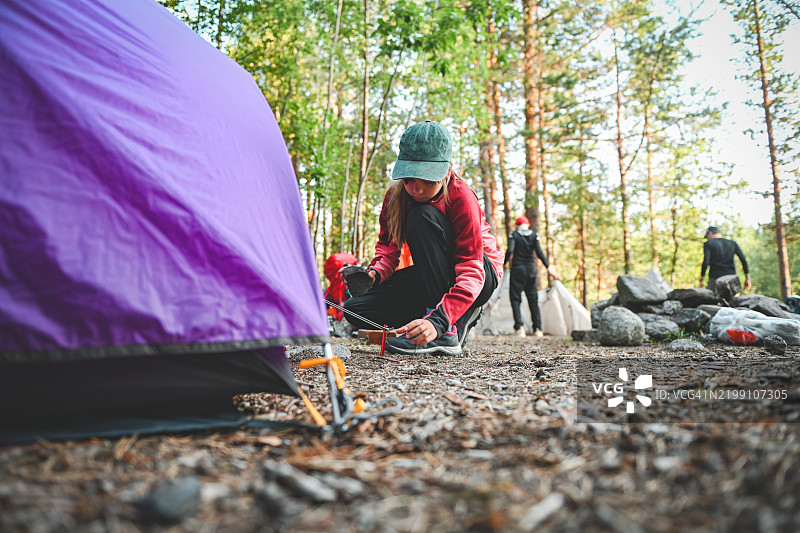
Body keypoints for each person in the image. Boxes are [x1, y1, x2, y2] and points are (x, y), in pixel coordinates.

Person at [342, 120, 504, 355]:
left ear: (447, 171)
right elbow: (388, 250)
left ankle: (446, 329)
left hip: (479, 275)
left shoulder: (461, 198)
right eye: (409, 180)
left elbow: (471, 269)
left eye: (427, 180)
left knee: (422, 216)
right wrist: (373, 276)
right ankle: (434, 318)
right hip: (433, 277)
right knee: (355, 309)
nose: (417, 190)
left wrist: (438, 321)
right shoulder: (394, 198)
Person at [505, 216, 560, 337]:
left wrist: (503, 263)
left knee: (515, 299)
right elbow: (539, 252)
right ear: (528, 225)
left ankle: (519, 328)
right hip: (531, 269)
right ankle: (537, 329)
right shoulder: (534, 235)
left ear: (516, 225)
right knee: (533, 299)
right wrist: (549, 268)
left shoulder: (513, 235)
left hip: (517, 269)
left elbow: (510, 250)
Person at [699, 226, 751, 293]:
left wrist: (701, 279)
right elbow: (743, 260)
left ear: (710, 233)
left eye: (707, 237)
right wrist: (747, 279)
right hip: (731, 278)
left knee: (712, 300)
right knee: (732, 301)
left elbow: (706, 262)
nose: (708, 239)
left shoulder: (708, 244)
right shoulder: (732, 243)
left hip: (715, 278)